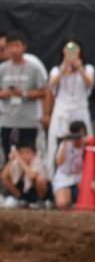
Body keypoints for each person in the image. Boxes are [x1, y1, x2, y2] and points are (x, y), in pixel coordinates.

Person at [45, 41, 95, 176]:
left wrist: (79, 68)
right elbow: (50, 85)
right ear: (63, 51)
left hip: (80, 111)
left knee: (84, 143)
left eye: (74, 49)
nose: (72, 52)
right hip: (62, 112)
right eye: (68, 49)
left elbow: (89, 84)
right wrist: (64, 68)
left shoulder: (88, 68)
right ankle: (54, 178)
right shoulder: (56, 69)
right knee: (58, 144)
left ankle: (84, 178)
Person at [0, 31, 49, 163]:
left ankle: (27, 183)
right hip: (7, 120)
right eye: (10, 46)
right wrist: (3, 94)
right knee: (8, 155)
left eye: (17, 45)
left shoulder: (33, 67)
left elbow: (44, 91)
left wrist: (24, 94)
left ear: (24, 47)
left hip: (28, 121)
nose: (14, 49)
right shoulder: (2, 68)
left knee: (29, 156)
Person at [51, 120, 88, 209]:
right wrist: (64, 141)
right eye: (76, 134)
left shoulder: (87, 146)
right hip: (64, 177)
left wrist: (86, 144)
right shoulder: (66, 144)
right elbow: (59, 162)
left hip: (80, 178)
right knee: (62, 203)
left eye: (80, 134)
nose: (78, 138)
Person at [1, 141, 49, 208]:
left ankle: (40, 201)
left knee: (40, 179)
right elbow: (3, 177)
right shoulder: (16, 163)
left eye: (27, 153)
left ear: (34, 153)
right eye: (21, 153)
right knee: (6, 179)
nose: (24, 155)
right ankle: (21, 200)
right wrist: (10, 161)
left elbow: (32, 176)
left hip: (35, 192)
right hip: (22, 192)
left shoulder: (37, 161)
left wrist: (20, 159)